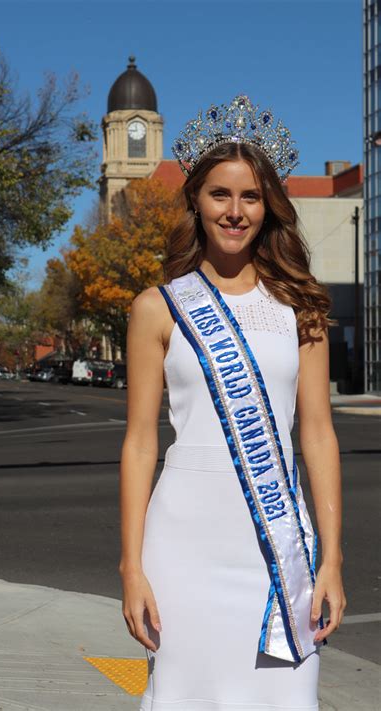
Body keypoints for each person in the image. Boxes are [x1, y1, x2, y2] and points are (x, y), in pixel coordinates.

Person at [119, 94, 347, 710]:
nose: (235, 211)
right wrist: (131, 566)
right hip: (183, 544)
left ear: (268, 207)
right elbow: (141, 443)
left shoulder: (303, 308)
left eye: (250, 197)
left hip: (276, 548)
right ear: (196, 198)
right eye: (220, 194)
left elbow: (319, 435)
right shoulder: (156, 308)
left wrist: (332, 559)